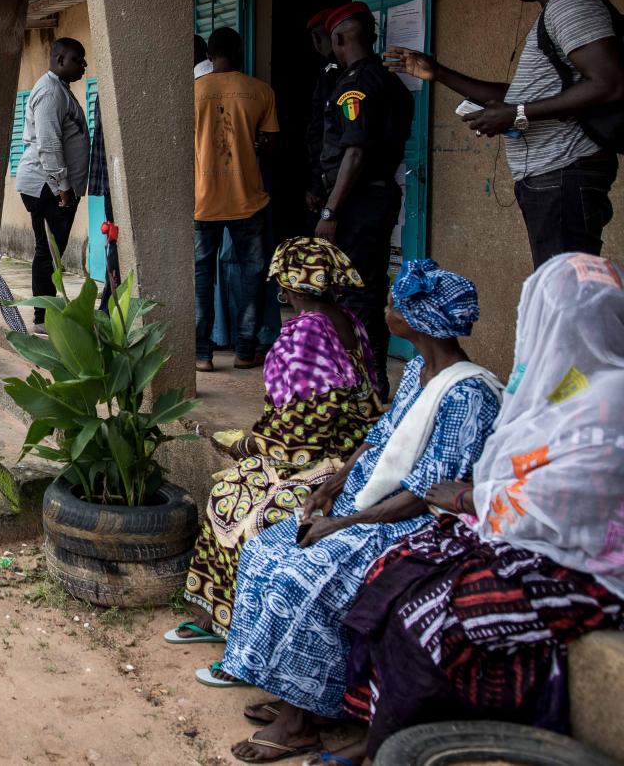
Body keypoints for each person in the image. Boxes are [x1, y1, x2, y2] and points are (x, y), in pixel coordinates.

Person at [214, 261, 501, 763]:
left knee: (302, 577)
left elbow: (429, 491)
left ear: (417, 318)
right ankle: (304, 695)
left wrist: (343, 524)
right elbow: (381, 437)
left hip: (415, 523)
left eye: (394, 303)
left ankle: (299, 723)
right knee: (263, 551)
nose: (385, 309)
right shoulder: (417, 369)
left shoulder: (469, 394)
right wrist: (334, 484)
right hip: (372, 503)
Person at [341, 254, 624, 761]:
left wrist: (470, 498)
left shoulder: (611, 396)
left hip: (584, 564)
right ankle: (384, 732)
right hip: (517, 532)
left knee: (423, 618)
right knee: (393, 574)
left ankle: (412, 742)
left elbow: (571, 503)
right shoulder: (565, 383)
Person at [172, 238, 379, 645]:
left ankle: (242, 633)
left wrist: (247, 446)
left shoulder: (307, 335)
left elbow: (304, 428)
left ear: (288, 285)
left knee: (238, 503)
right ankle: (216, 616)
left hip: (325, 459)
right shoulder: (346, 320)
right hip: (342, 449)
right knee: (231, 490)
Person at [385, 0, 624, 267]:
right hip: (554, 178)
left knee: (563, 297)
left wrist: (518, 114)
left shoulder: (569, 5)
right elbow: (524, 94)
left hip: (564, 174)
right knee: (558, 290)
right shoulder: (560, 9)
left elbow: (610, 83)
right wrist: (437, 72)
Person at [315, 1, 413, 401]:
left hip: (357, 203)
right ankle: (369, 380)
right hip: (376, 196)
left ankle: (365, 382)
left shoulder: (356, 86)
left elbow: (354, 153)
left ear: (338, 39)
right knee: (366, 288)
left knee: (356, 293)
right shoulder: (391, 84)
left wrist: (330, 210)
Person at [194, 26, 279, 372]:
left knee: (201, 277)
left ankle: (202, 355)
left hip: (202, 200)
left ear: (209, 56)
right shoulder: (260, 91)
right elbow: (270, 143)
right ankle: (245, 351)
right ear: (240, 52)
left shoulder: (192, 91)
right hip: (249, 200)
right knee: (252, 275)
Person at [17, 38, 90, 332]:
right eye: (78, 60)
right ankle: (42, 318)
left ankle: (47, 314)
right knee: (48, 251)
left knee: (51, 250)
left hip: (50, 184)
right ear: (60, 59)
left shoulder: (59, 89)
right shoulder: (50, 93)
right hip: (46, 185)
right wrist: (62, 187)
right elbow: (48, 144)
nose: (83, 65)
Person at [301, 9, 339, 218]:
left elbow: (325, 131)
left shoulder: (331, 72)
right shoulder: (356, 71)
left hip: (331, 175)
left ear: (317, 39)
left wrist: (316, 183)